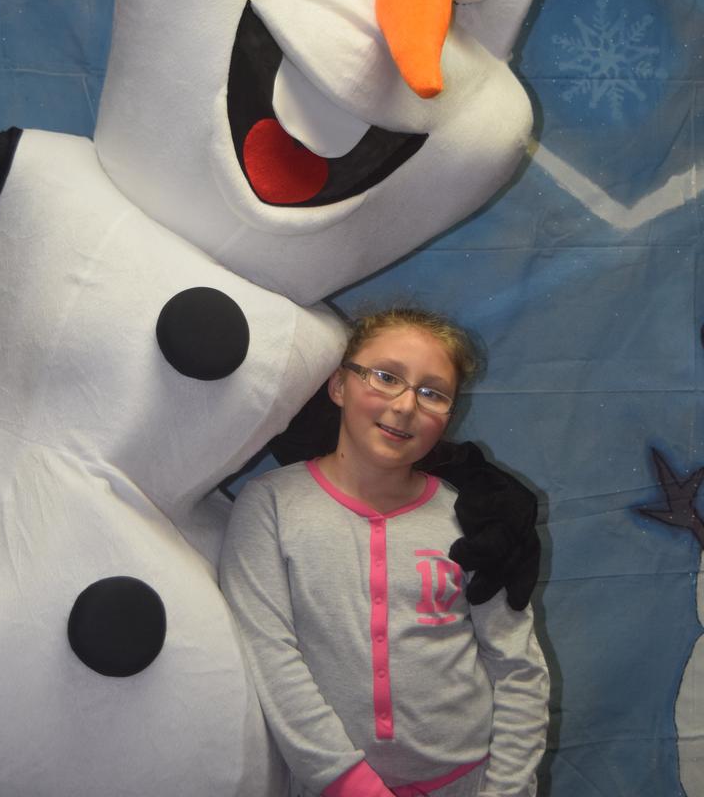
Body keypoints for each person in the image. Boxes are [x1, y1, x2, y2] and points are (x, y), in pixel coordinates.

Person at [220, 308, 549, 797]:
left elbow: (518, 667)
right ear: (338, 386)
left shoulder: (476, 520)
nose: (405, 405)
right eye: (386, 377)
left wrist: (508, 790)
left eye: (433, 392)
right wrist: (348, 783)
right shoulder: (271, 505)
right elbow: (272, 657)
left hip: (469, 781)